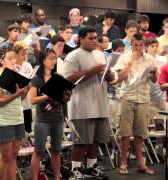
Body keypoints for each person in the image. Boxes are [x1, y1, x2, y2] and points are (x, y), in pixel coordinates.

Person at [62, 26, 113, 180]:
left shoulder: (100, 54)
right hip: (82, 106)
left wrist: (108, 73)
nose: (94, 41)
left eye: (95, 38)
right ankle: (75, 170)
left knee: (96, 139)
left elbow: (109, 79)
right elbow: (68, 78)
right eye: (90, 38)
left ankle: (91, 166)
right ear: (81, 39)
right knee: (81, 141)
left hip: (100, 103)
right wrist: (91, 71)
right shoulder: (73, 56)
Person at [114, 33, 157, 175]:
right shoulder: (124, 57)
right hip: (128, 97)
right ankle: (123, 162)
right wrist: (131, 61)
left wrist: (154, 73)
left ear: (144, 44)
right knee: (125, 133)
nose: (138, 48)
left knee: (140, 133)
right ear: (131, 45)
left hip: (143, 98)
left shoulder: (149, 58)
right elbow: (120, 77)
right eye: (136, 45)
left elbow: (154, 80)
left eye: (141, 45)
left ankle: (140, 163)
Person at [30, 49, 70, 180]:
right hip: (43, 119)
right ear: (43, 60)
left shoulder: (57, 77)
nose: (54, 61)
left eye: (55, 58)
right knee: (38, 151)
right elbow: (33, 99)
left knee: (56, 150)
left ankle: (57, 177)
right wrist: (47, 95)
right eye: (51, 58)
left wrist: (66, 96)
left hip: (58, 117)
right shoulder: (37, 79)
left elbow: (64, 99)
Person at [0, 47, 27, 180]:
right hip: (3, 121)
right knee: (5, 157)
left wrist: (24, 90)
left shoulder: (15, 75)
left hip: (17, 118)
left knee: (14, 155)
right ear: (1, 61)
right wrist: (16, 94)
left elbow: (20, 98)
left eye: (14, 58)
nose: (13, 61)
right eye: (9, 58)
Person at [13, 41, 33, 133]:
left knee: (27, 131)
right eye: (22, 54)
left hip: (27, 105)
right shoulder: (12, 67)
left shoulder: (27, 65)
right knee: (18, 133)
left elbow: (32, 81)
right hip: (16, 105)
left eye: (25, 54)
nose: (24, 57)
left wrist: (28, 86)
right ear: (15, 54)